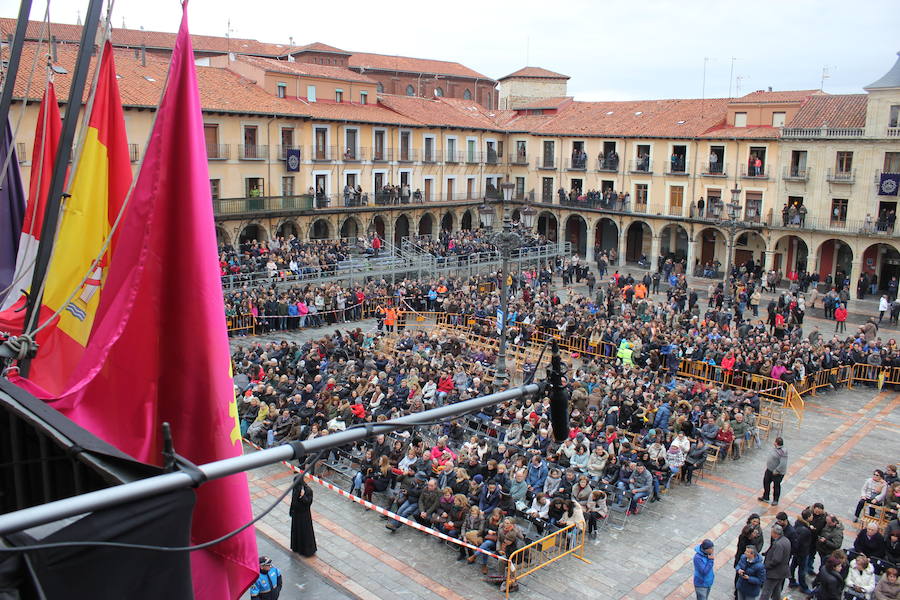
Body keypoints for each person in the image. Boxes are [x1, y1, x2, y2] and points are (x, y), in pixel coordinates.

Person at [759, 523, 791, 600]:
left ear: (775, 533)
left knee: (766, 592)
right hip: (782, 571)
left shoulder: (778, 544)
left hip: (774, 573)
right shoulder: (786, 540)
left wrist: (766, 566)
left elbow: (776, 559)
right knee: (777, 590)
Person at [289, 477, 317, 557]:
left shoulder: (308, 490)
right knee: (296, 531)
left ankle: (307, 551)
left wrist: (302, 496)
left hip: (304, 515)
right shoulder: (296, 488)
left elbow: (308, 502)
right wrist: (291, 510)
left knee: (305, 533)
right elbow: (293, 500)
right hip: (296, 514)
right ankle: (296, 547)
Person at [758, 437, 787, 506]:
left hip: (777, 473)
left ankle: (775, 500)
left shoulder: (783, 452)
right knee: (766, 482)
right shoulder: (775, 448)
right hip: (769, 470)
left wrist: (777, 470)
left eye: (775, 442)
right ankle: (766, 497)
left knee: (776, 486)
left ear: (776, 443)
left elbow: (783, 463)